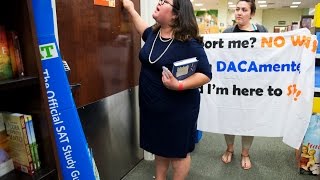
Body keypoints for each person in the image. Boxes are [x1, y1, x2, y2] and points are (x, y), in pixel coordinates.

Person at [121, 0, 212, 179]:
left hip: (178, 109)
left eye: (165, 1)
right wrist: (130, 8)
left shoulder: (189, 43)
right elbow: (142, 29)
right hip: (152, 107)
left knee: (178, 153)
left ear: (176, 14)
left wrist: (178, 85)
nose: (159, 2)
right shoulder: (154, 35)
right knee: (160, 148)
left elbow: (206, 74)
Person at [221, 0, 267, 170]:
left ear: (252, 13)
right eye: (237, 9)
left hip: (253, 85)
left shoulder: (262, 32)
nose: (239, 12)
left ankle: (245, 152)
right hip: (230, 85)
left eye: (244, 10)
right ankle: (229, 148)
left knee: (249, 119)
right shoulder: (227, 33)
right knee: (229, 117)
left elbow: (269, 57)